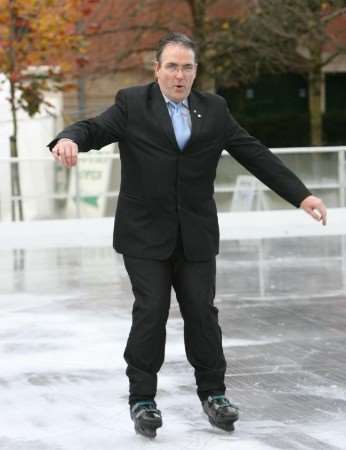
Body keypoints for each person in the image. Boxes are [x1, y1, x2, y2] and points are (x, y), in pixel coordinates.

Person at [48, 32, 327, 438]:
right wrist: (69, 138)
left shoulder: (214, 109)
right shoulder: (132, 103)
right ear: (157, 69)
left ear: (196, 71)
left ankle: (214, 395)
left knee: (202, 312)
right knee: (152, 309)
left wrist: (301, 195)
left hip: (195, 233)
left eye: (188, 67)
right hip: (144, 234)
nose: (180, 75)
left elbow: (253, 153)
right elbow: (93, 128)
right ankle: (142, 399)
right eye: (172, 66)